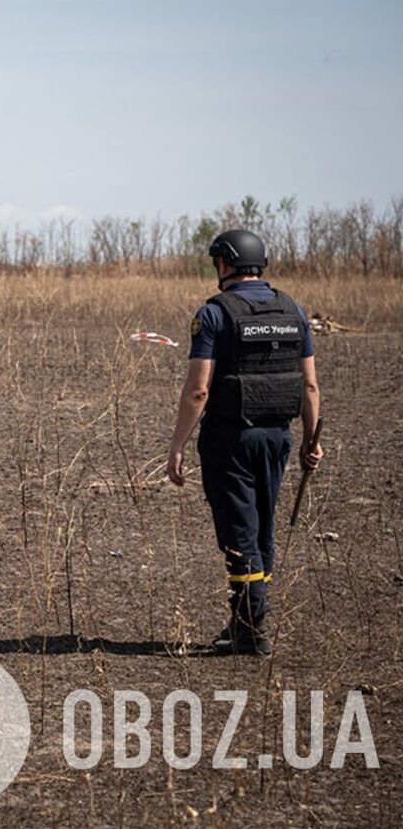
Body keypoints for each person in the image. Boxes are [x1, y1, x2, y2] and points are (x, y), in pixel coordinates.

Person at [166, 229, 323, 656]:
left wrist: (177, 444)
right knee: (262, 528)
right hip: (278, 438)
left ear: (225, 263)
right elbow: (309, 386)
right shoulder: (293, 310)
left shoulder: (214, 314)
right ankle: (247, 621)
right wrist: (310, 439)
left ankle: (252, 630)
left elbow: (198, 390)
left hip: (230, 439)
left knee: (240, 532)